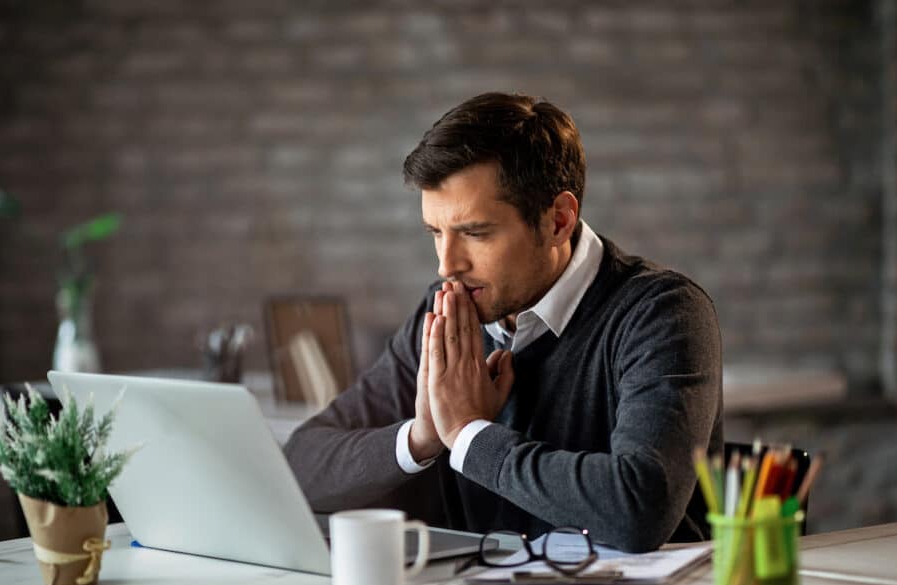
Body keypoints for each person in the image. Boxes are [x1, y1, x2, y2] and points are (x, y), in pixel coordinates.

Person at [284, 92, 722, 552]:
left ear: (558, 220)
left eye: (475, 233)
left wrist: (468, 435)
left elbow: (638, 508)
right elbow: (298, 465)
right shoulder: (446, 314)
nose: (446, 265)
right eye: (436, 233)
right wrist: (423, 435)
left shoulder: (662, 312)